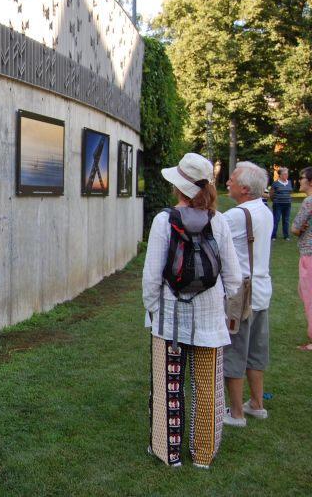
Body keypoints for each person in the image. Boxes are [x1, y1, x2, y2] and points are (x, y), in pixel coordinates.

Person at [143, 153, 242, 469]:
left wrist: (154, 310)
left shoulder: (164, 220)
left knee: (168, 388)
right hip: (210, 323)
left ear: (178, 186)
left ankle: (167, 452)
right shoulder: (219, 221)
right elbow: (234, 278)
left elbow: (151, 276)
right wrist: (223, 304)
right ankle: (202, 455)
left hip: (169, 322)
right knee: (208, 391)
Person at [222, 163, 273, 427]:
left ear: (244, 188)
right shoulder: (264, 211)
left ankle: (236, 413)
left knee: (234, 350)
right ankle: (256, 404)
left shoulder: (236, 215)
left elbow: (213, 237)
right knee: (256, 349)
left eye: (231, 179)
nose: (227, 183)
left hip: (241, 294)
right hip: (262, 289)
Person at [292, 167, 312, 351]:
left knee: (309, 295)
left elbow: (295, 228)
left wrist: (301, 228)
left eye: (302, 178)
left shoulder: (309, 201)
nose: (299, 181)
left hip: (309, 254)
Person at [270, 167, 293, 241]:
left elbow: (290, 192)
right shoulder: (275, 183)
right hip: (278, 205)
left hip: (287, 205)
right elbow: (271, 195)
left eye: (287, 174)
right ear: (280, 175)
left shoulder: (289, 182)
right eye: (285, 174)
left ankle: (286, 236)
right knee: (276, 220)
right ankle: (273, 236)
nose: (286, 175)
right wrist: (275, 201)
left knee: (286, 220)